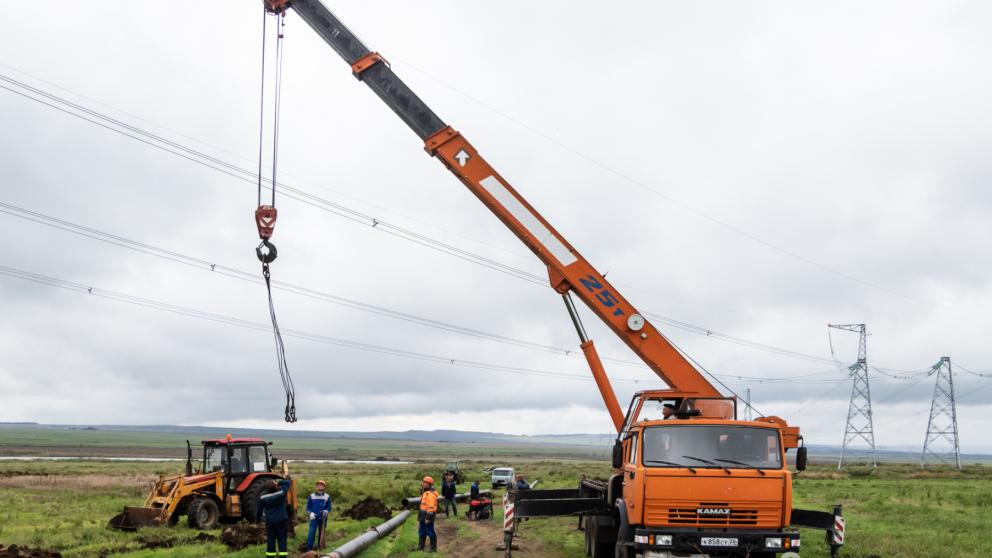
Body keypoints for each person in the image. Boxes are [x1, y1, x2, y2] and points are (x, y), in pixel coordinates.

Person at [256, 478, 292, 558]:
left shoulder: (263, 497)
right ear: (275, 485)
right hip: (282, 520)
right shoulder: (281, 492)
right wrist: (279, 482)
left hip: (270, 521)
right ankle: (282, 556)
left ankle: (270, 556)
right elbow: (288, 482)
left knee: (271, 539)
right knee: (282, 539)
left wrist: (258, 521)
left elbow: (259, 510)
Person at [306, 480, 332, 551]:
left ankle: (320, 548)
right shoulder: (311, 496)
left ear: (324, 487)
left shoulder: (327, 496)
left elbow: (329, 507)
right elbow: (308, 507)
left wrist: (327, 510)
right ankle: (309, 549)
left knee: (321, 534)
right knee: (311, 533)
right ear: (316, 487)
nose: (319, 486)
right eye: (318, 485)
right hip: (314, 518)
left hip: (323, 519)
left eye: (321, 485)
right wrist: (310, 513)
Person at [418, 476, 439, 552]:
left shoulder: (430, 494)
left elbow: (431, 507)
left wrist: (428, 518)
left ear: (428, 484)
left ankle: (433, 549)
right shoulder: (426, 492)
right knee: (422, 532)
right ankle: (420, 549)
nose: (422, 483)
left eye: (424, 482)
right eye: (423, 482)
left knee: (430, 531)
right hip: (423, 516)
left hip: (427, 517)